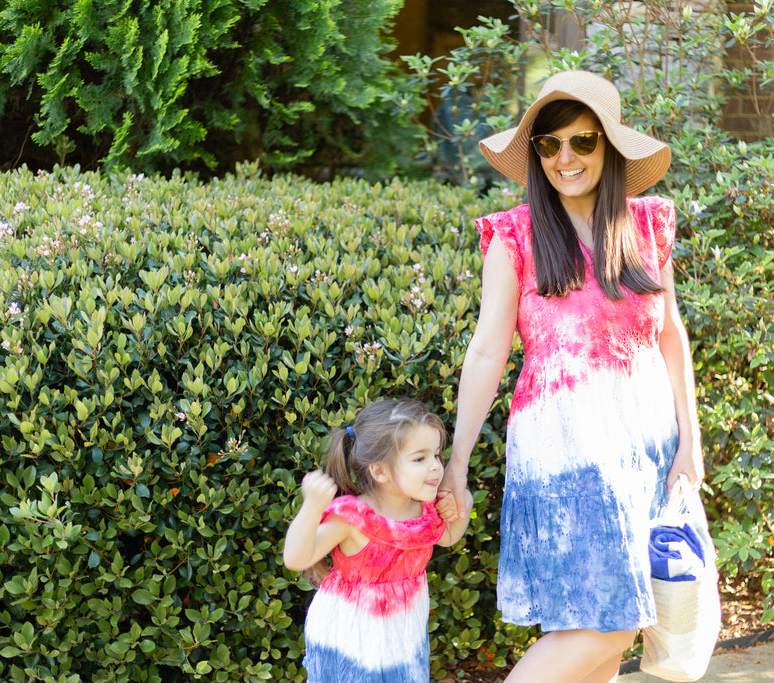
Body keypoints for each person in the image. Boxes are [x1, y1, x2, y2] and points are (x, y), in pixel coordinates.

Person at [437, 70, 705, 683]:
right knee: (606, 622)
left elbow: (670, 334)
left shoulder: (647, 226)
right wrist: (457, 461)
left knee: (608, 631)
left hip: (648, 447)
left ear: (608, 147)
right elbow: (486, 353)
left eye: (581, 142)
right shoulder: (516, 236)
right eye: (549, 145)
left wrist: (690, 441)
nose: (565, 158)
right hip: (567, 454)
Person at [283, 398, 473, 683]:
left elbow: (447, 537)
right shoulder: (354, 517)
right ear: (380, 470)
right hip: (350, 638)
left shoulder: (425, 512)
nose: (435, 467)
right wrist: (311, 508)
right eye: (420, 458)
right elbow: (296, 559)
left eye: (436, 455)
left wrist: (462, 506)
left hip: (402, 636)